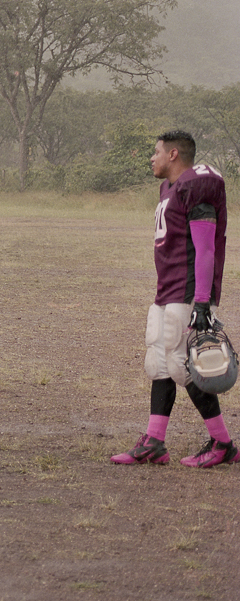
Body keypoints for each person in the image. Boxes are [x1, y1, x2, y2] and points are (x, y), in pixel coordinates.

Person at [112, 129, 234, 468]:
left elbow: (206, 247)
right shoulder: (169, 188)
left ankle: (224, 444)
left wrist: (202, 302)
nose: (152, 158)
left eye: (156, 152)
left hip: (188, 289)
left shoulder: (197, 187)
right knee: (159, 363)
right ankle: (154, 442)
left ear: (173, 155)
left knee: (184, 366)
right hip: (167, 288)